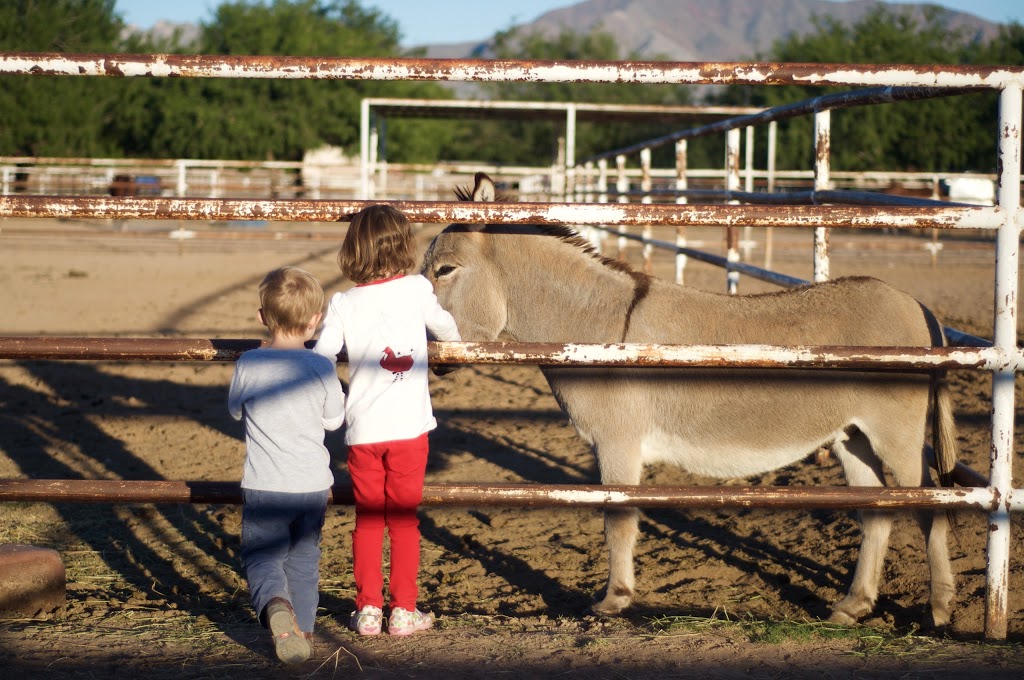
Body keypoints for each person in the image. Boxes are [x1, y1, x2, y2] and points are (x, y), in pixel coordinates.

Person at [314, 204, 460, 637]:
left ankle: (369, 609)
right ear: (404, 245)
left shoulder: (342, 302)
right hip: (410, 429)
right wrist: (454, 346)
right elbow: (445, 325)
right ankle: (404, 610)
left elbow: (322, 358)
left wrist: (334, 400)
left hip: (362, 431)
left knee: (368, 520)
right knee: (404, 520)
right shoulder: (416, 288)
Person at [228, 266, 345, 664]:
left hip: (265, 484)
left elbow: (234, 411)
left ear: (263, 318)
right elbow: (333, 420)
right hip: (312, 484)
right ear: (316, 320)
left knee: (263, 556)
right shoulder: (322, 367)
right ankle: (305, 632)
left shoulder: (248, 362)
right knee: (304, 558)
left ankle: (277, 607)